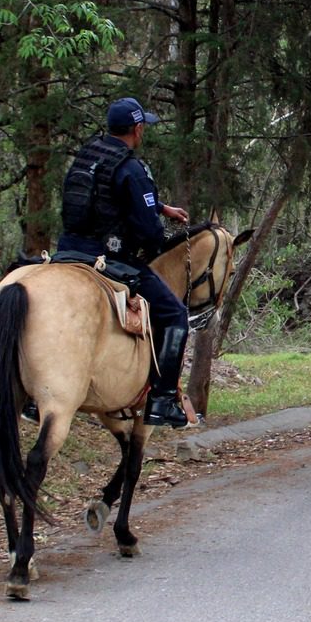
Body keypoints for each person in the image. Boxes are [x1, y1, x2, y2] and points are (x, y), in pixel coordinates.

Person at [54, 96, 194, 427]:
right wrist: (157, 232)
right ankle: (162, 400)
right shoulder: (132, 168)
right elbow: (149, 234)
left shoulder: (88, 156)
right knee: (176, 315)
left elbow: (102, 195)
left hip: (67, 251)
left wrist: (160, 206)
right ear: (137, 128)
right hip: (109, 257)